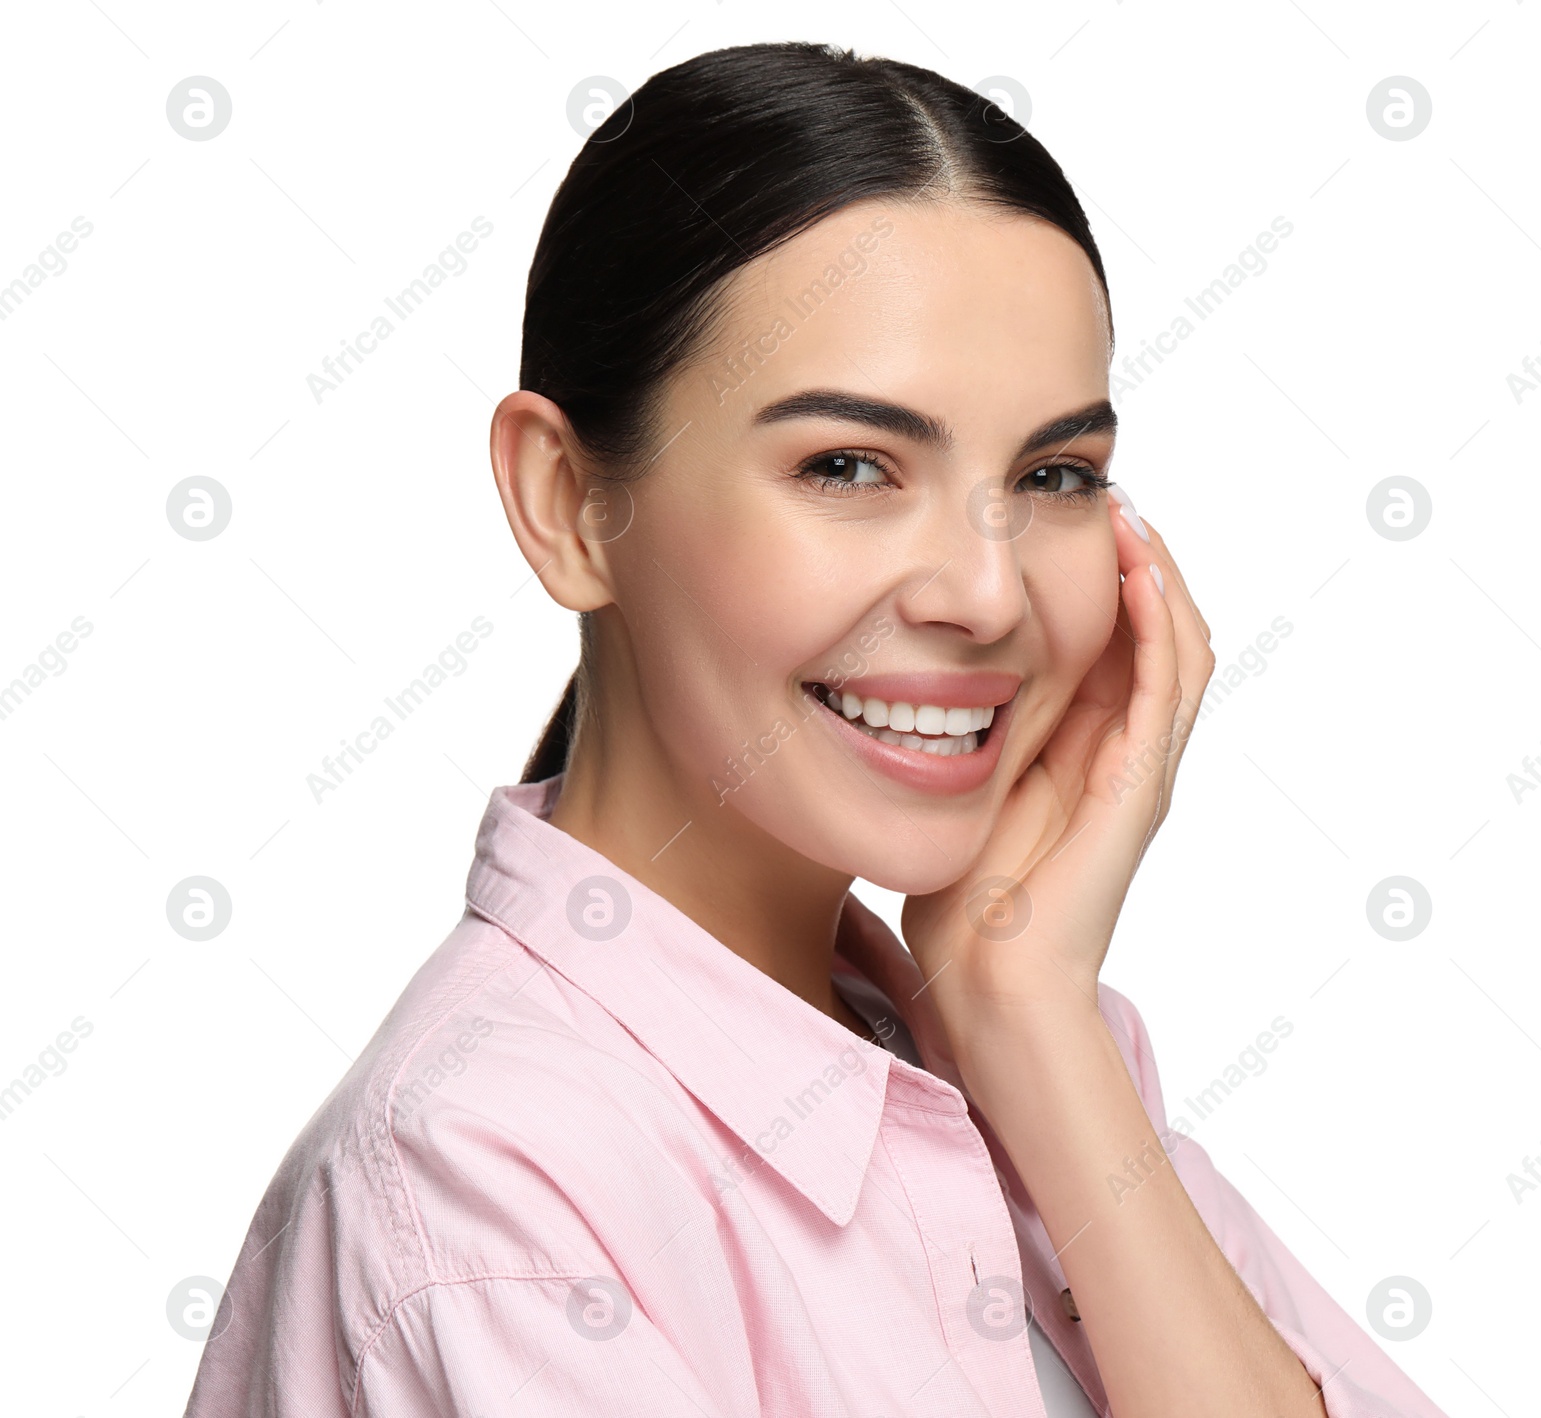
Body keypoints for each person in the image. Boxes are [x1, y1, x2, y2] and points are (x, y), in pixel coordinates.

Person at [185, 41, 1449, 1417]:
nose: (986, 591)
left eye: (1055, 473)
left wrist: (1030, 1019)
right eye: (848, 465)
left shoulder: (1023, 1052)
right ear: (566, 501)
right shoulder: (497, 1186)